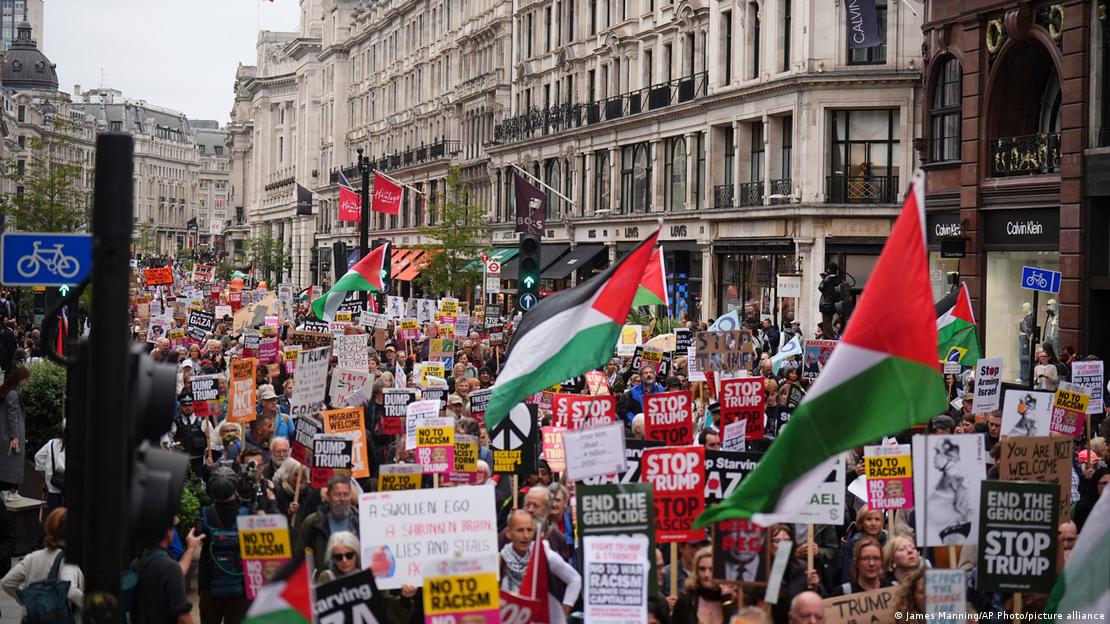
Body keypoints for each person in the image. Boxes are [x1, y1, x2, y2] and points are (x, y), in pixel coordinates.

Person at [499, 510, 581, 624]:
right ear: (508, 533)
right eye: (520, 530)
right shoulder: (500, 559)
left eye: (529, 530)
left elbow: (575, 579)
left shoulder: (542, 553)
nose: (526, 536)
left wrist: (564, 612)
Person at [1, 508, 84, 613]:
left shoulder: (32, 557)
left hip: (31, 617)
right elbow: (70, 590)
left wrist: (26, 600)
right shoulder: (67, 561)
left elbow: (7, 582)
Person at [196, 466, 249, 623]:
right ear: (235, 488)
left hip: (209, 586)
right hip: (239, 589)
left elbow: (199, 538)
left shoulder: (204, 514)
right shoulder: (245, 514)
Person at [131, 525, 199, 624]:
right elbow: (184, 619)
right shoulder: (169, 567)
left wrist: (191, 548)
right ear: (168, 532)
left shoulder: (136, 563)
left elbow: (175, 572)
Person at [297, 474, 360, 573]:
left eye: (346, 494)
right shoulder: (312, 523)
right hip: (324, 583)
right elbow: (300, 558)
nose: (342, 499)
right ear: (328, 496)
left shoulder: (360, 521)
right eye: (337, 495)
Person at [671, 546, 737, 624]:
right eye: (702, 569)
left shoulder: (736, 601)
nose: (706, 575)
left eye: (712, 569)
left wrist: (726, 600)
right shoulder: (686, 600)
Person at [0, 365, 30, 499]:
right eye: (25, 379)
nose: (26, 382)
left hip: (8, 434)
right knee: (11, 464)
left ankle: (10, 490)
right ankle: (9, 491)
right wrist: (15, 436)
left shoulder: (8, 391)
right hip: (11, 435)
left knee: (9, 463)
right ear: (20, 379)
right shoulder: (12, 394)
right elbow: (13, 417)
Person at [33, 428, 65, 514]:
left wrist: (46, 470)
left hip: (53, 484)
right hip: (67, 488)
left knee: (53, 514)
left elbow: (38, 456)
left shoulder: (51, 443)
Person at [818, 263, 842, 339]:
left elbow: (820, 287)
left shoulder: (828, 279)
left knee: (826, 322)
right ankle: (828, 336)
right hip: (832, 304)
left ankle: (829, 338)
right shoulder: (837, 279)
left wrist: (824, 278)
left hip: (826, 304)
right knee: (827, 322)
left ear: (829, 270)